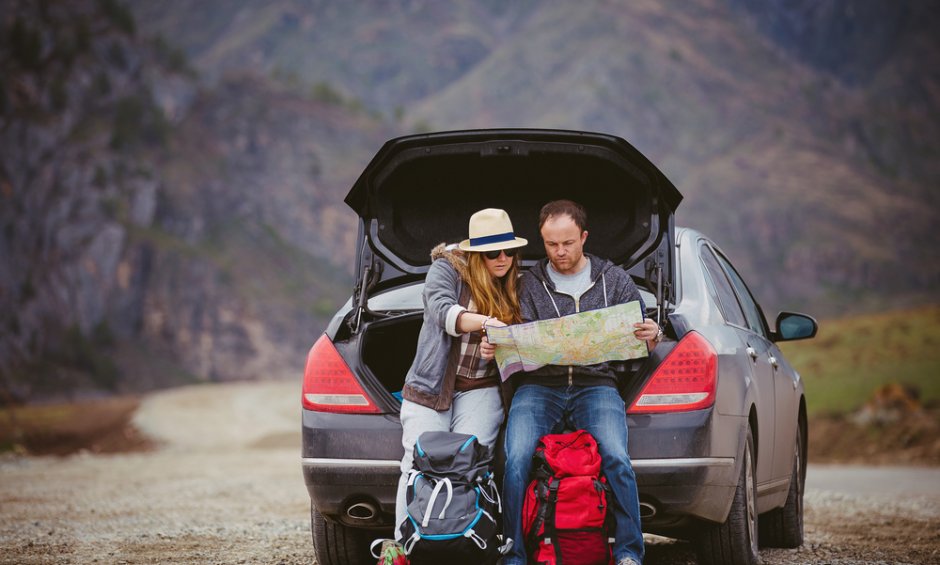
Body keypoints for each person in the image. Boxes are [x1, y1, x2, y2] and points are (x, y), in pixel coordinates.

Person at [500, 200, 661, 565]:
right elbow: (510, 336)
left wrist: (654, 333)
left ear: (584, 237)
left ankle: (628, 553)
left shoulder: (615, 280)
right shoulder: (526, 284)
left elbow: (642, 340)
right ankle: (513, 553)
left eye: (568, 243)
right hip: (539, 387)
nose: (559, 252)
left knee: (617, 457)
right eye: (551, 244)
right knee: (516, 458)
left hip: (596, 385)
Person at [394, 207, 527, 542]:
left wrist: (497, 349)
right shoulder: (446, 269)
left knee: (471, 466)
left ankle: (468, 544)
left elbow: (523, 343)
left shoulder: (514, 285)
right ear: (474, 252)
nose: (502, 258)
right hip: (431, 386)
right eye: (492, 252)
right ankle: (403, 546)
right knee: (418, 465)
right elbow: (441, 310)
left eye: (509, 251)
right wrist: (484, 322)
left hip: (480, 388)